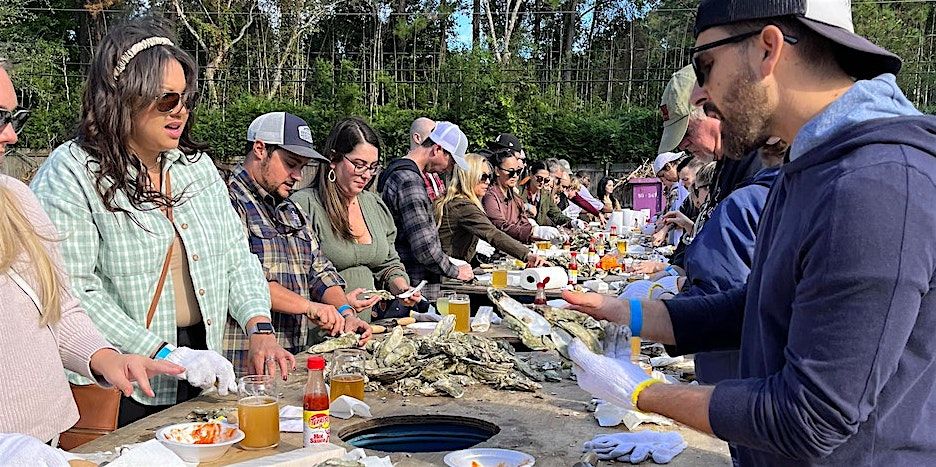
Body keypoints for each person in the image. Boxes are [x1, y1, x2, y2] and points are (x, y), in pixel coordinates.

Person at [565, 0, 936, 463]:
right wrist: (628, 313)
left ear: (768, 48)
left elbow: (810, 417)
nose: (703, 92)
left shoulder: (874, 184)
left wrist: (641, 392)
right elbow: (763, 304)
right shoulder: (808, 167)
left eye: (706, 64)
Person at [29, 19, 294, 427]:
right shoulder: (71, 172)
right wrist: (166, 354)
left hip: (204, 365)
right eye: (167, 99)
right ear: (123, 97)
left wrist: (259, 325)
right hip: (125, 376)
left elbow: (236, 257)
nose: (181, 111)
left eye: (186, 98)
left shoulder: (196, 168)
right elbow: (73, 290)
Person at [0, 60, 184, 445]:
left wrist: (104, 357)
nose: (12, 135)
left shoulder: (15, 197)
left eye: (16, 116)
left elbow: (57, 305)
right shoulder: (68, 172)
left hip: (46, 439)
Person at [224, 112, 376, 376]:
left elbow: (319, 270)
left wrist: (345, 312)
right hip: (245, 365)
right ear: (260, 148)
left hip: (293, 359)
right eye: (290, 163)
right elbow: (238, 279)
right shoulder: (226, 201)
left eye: (302, 167)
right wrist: (310, 307)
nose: (297, 175)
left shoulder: (290, 209)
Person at [292, 117, 423, 321]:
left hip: (363, 328)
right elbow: (296, 278)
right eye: (359, 165)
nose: (367, 175)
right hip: (319, 327)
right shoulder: (304, 205)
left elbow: (388, 263)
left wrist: (402, 288)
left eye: (373, 167)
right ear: (333, 160)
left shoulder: (373, 205)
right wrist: (342, 304)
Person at [377, 121, 474, 300]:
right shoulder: (409, 180)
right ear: (437, 149)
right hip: (412, 284)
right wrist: (456, 271)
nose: (450, 168)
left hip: (400, 278)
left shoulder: (394, 169)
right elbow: (424, 247)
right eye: (451, 160)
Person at [437, 154, 546, 267]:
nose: (488, 181)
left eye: (489, 176)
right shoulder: (463, 206)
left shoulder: (458, 201)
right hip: (447, 274)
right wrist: (527, 255)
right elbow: (493, 233)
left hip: (453, 269)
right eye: (483, 177)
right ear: (470, 176)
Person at [483, 150, 561, 243]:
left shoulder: (515, 197)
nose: (515, 176)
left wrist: (543, 235)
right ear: (497, 171)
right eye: (511, 172)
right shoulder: (490, 196)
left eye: (518, 171)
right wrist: (533, 231)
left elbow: (523, 223)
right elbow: (499, 226)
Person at [520, 161, 574, 228]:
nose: (542, 182)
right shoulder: (519, 191)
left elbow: (556, 215)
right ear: (531, 174)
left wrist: (572, 222)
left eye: (546, 180)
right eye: (539, 178)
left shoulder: (546, 194)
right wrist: (526, 207)